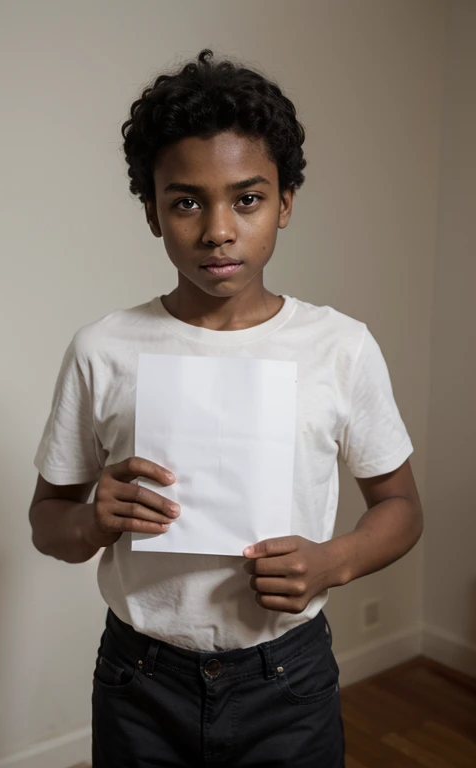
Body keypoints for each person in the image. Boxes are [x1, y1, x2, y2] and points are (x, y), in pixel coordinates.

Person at [29, 48, 423, 767]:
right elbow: (47, 521)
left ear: (286, 203)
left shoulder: (339, 346)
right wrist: (93, 518)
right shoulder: (104, 348)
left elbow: (401, 506)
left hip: (288, 678)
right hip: (140, 680)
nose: (217, 229)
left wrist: (333, 560)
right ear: (152, 211)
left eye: (247, 198)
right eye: (186, 201)